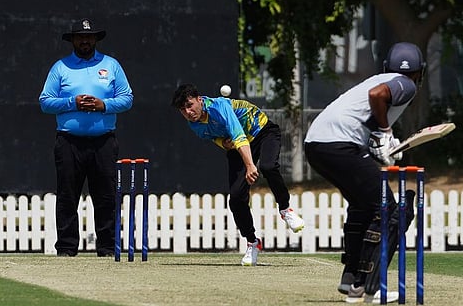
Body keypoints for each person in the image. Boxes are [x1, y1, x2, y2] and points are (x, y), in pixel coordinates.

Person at [304, 42, 425, 303]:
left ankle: (352, 281)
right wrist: (386, 133)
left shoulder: (381, 77)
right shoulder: (406, 84)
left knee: (363, 206)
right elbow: (377, 95)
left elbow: (365, 120)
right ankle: (372, 286)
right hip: (338, 144)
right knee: (391, 210)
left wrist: (381, 144)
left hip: (316, 144)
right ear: (420, 72)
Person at [171, 84, 304, 266]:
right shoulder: (194, 125)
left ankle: (285, 209)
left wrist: (250, 165)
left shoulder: (220, 107)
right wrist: (223, 144)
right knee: (235, 198)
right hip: (237, 146)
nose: (188, 112)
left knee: (268, 167)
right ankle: (252, 243)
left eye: (190, 105)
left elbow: (238, 134)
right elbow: (216, 138)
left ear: (199, 99)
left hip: (263, 132)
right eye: (183, 110)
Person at [39, 18, 133, 257]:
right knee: (67, 196)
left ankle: (107, 247)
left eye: (88, 37)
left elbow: (127, 98)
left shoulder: (111, 65)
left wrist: (103, 105)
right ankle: (67, 248)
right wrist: (73, 102)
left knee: (105, 196)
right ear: (72, 40)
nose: (84, 41)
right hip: (69, 142)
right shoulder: (61, 67)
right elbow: (45, 102)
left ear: (95, 39)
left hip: (103, 141)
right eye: (80, 37)